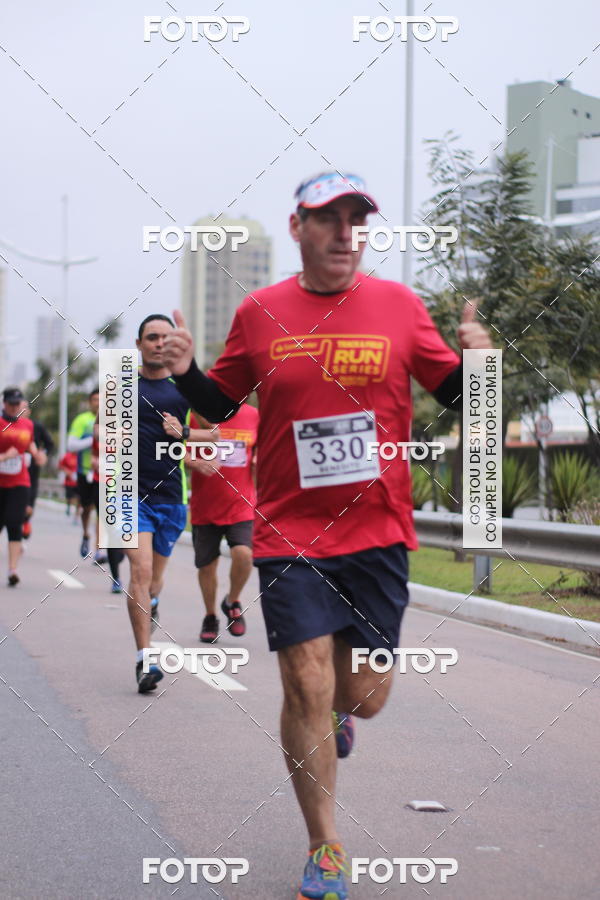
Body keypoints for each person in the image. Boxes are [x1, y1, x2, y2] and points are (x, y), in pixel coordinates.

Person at [163, 171, 493, 900]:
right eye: (330, 218)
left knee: (363, 695)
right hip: (289, 533)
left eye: (356, 218)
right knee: (303, 678)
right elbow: (221, 400)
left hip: (378, 533)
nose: (346, 232)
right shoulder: (260, 312)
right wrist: (185, 372)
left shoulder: (400, 307)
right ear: (298, 229)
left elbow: (458, 395)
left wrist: (482, 358)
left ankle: (343, 712)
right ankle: (326, 847)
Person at [125, 314, 198, 693]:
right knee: (139, 570)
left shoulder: (184, 391)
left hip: (171, 498)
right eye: (151, 337)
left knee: (153, 580)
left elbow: (217, 436)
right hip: (126, 495)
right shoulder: (121, 388)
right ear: (139, 344)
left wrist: (183, 433)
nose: (157, 343)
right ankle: (145, 658)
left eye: (164, 338)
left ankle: (151, 600)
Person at [187, 403, 258, 642]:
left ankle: (232, 600)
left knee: (244, 554)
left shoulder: (253, 415)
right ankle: (210, 616)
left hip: (242, 503)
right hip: (205, 505)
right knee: (207, 566)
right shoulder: (196, 414)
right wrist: (195, 463)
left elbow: (261, 450)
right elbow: (175, 450)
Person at [0, 387, 47, 586]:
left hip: (20, 482)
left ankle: (12, 570)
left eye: (17, 404)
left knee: (15, 524)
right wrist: (4, 456)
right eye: (10, 403)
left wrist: (38, 455)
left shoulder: (27, 425)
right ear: (4, 403)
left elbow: (31, 446)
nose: (13, 407)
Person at [90, 419, 124, 593]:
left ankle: (121, 552)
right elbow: (95, 442)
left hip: (131, 483)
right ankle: (116, 578)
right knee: (112, 530)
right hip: (104, 483)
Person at [67, 389, 100, 558]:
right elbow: (71, 446)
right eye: (95, 399)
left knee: (103, 510)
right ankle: (86, 533)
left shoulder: (114, 420)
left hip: (105, 474)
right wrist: (93, 439)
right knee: (86, 508)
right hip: (84, 471)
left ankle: (99, 549)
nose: (98, 403)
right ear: (90, 402)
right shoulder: (82, 420)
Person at [20, 402, 55, 539]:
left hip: (31, 471)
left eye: (24, 408)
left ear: (29, 411)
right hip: (10, 470)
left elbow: (49, 444)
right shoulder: (6, 425)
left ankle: (26, 522)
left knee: (29, 499)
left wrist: (43, 454)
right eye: (18, 407)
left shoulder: (37, 427)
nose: (21, 410)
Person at [58, 450, 79, 519]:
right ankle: (68, 506)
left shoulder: (81, 456)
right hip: (69, 481)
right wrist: (66, 471)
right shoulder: (67, 456)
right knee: (69, 497)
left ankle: (76, 514)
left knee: (78, 498)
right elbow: (60, 466)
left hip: (79, 481)